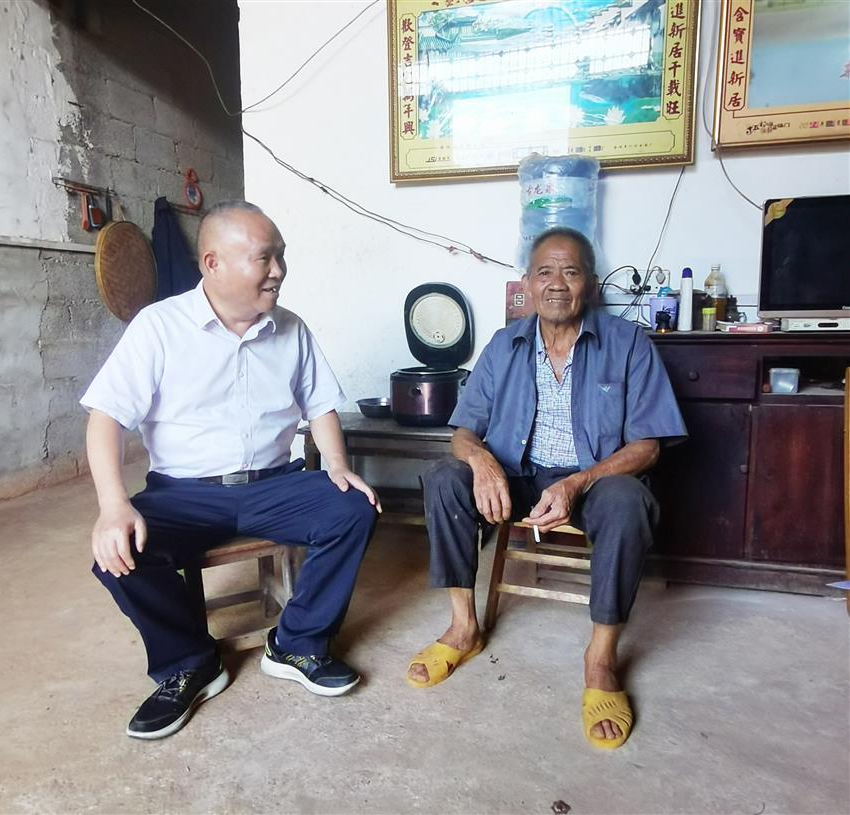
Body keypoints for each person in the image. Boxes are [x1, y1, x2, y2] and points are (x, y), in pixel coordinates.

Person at [82, 201, 381, 740]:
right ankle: (189, 662)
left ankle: (295, 644)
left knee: (354, 507)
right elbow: (105, 418)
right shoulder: (159, 327)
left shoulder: (291, 328)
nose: (278, 271)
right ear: (212, 263)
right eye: (264, 258)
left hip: (275, 485)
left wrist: (337, 467)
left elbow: (321, 407)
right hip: (182, 494)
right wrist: (112, 505)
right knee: (117, 554)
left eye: (281, 257)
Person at [405, 227, 686, 750]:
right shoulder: (503, 344)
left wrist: (578, 483)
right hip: (517, 471)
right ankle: (464, 627)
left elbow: (648, 445)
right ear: (528, 284)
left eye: (571, 271)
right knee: (445, 477)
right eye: (545, 272)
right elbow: (463, 430)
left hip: (593, 478)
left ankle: (601, 659)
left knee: (629, 503)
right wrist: (483, 463)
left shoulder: (628, 343)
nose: (557, 284)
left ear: (591, 285)